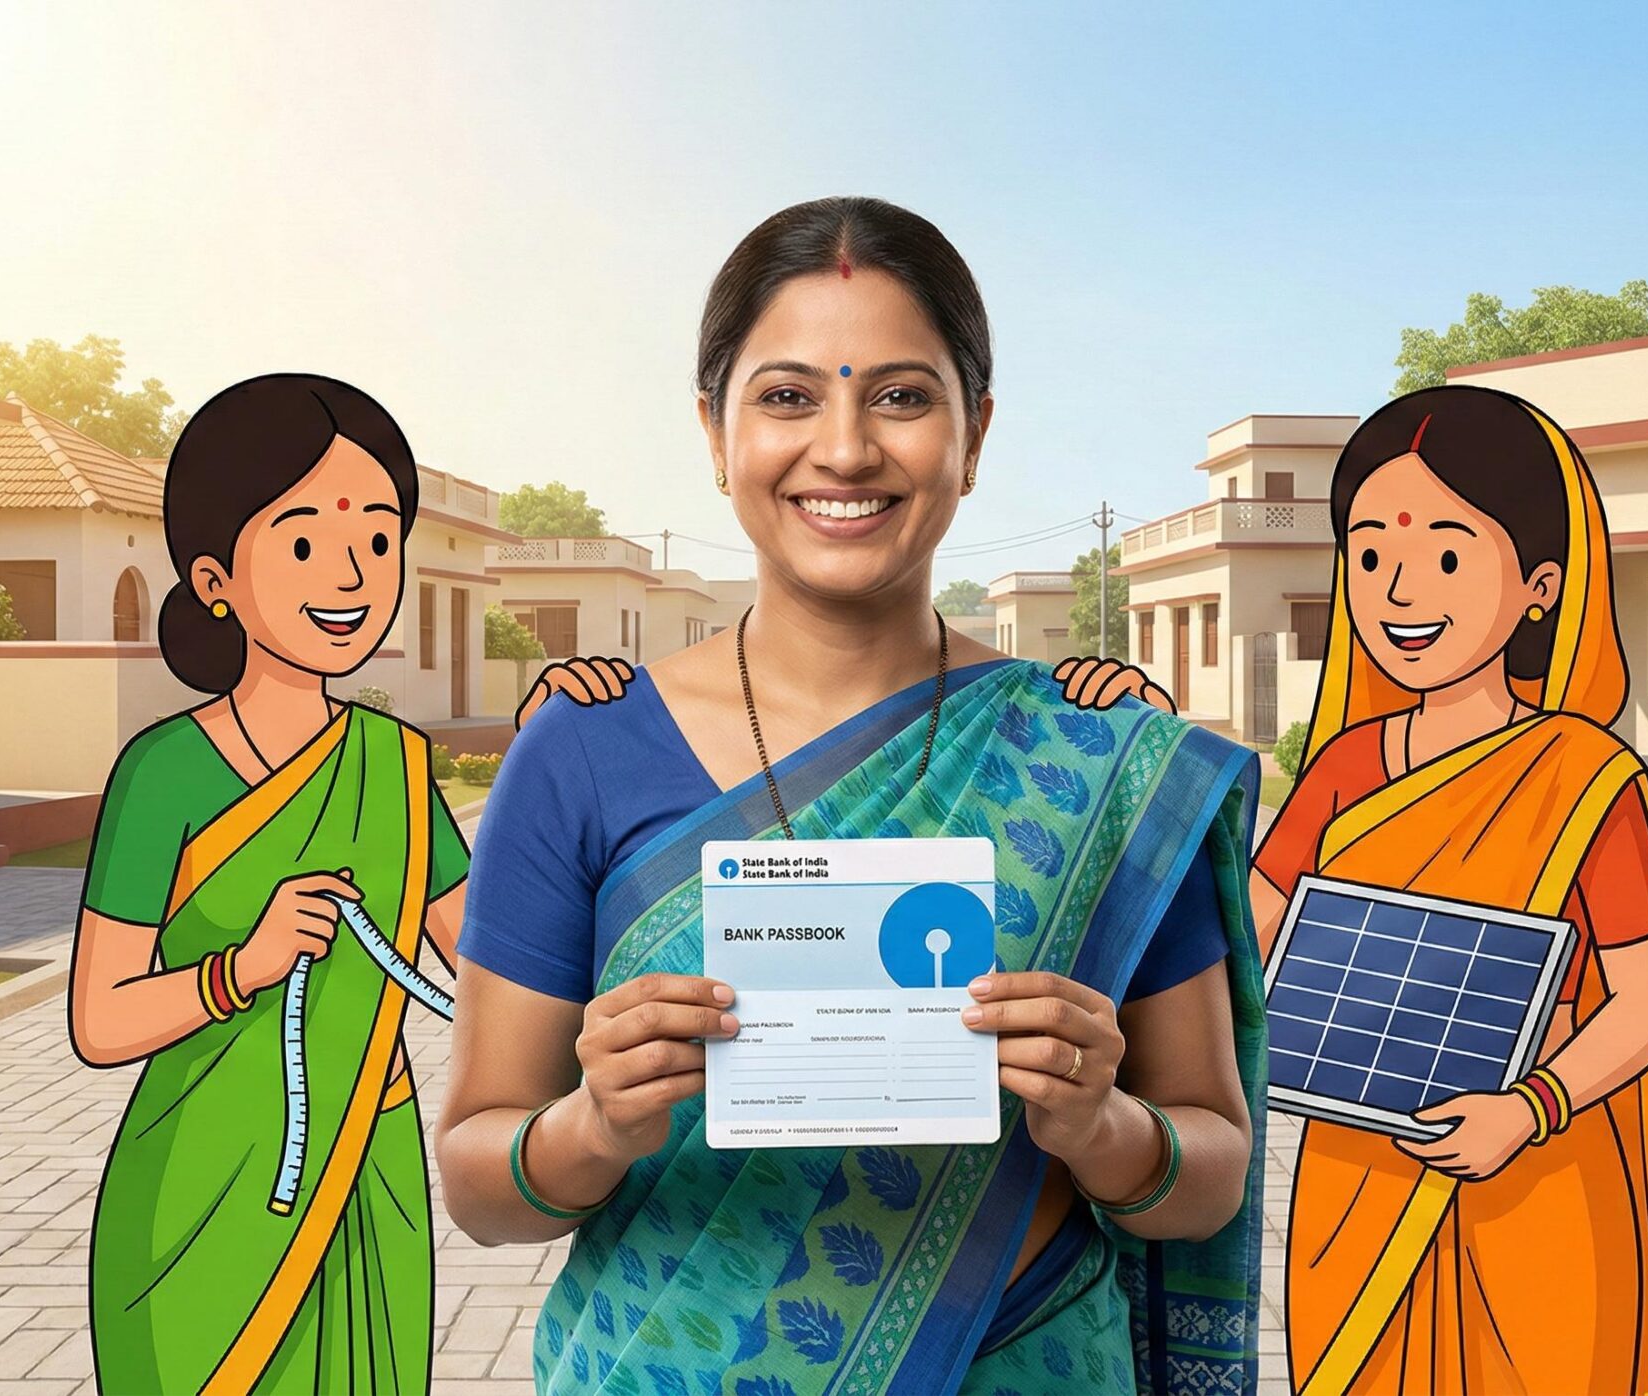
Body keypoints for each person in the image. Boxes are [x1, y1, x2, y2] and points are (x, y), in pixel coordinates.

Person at [438, 196, 1268, 1394]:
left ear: (972, 434)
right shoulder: (583, 752)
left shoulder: (1097, 765)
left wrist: (1102, 1126)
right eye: (786, 396)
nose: (843, 448)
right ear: (715, 433)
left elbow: (1210, 1173)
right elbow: (479, 1186)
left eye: (900, 395)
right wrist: (594, 1125)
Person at [1251, 384, 1648, 1395]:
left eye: (1445, 555)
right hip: (1356, 1177)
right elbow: (1237, 941)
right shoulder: (1343, 769)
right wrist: (1134, 742)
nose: (1399, 591)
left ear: (1540, 585)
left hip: (1534, 1179)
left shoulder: (1583, 779)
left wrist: (1528, 1111)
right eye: (1369, 555)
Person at [68, 374, 468, 1394]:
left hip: (363, 1174)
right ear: (216, 579)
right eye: (302, 543)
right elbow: (99, 1022)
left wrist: (565, 742)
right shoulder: (165, 772)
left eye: (377, 540)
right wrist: (237, 968)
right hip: (200, 1185)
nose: (349, 576)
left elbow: (499, 966)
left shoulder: (397, 765)